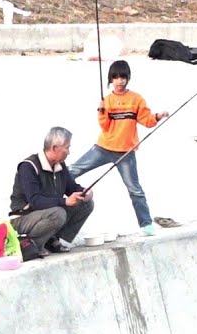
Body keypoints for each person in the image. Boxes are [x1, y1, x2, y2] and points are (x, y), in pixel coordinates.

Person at [68, 59, 169, 236]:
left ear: (128, 78)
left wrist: (158, 116)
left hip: (126, 153)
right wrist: (101, 112)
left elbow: (147, 120)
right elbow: (105, 126)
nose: (120, 81)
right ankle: (51, 195)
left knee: (135, 189)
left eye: (123, 77)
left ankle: (146, 224)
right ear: (111, 80)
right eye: (116, 78)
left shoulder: (136, 99)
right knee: (72, 171)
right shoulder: (107, 100)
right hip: (103, 147)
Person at [8, 127, 94, 255]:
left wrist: (84, 192)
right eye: (67, 147)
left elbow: (71, 187)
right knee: (58, 213)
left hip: (47, 215)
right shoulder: (28, 167)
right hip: (23, 218)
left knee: (86, 204)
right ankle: (31, 245)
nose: (69, 152)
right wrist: (65, 201)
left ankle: (51, 240)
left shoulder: (60, 165)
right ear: (54, 148)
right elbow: (35, 201)